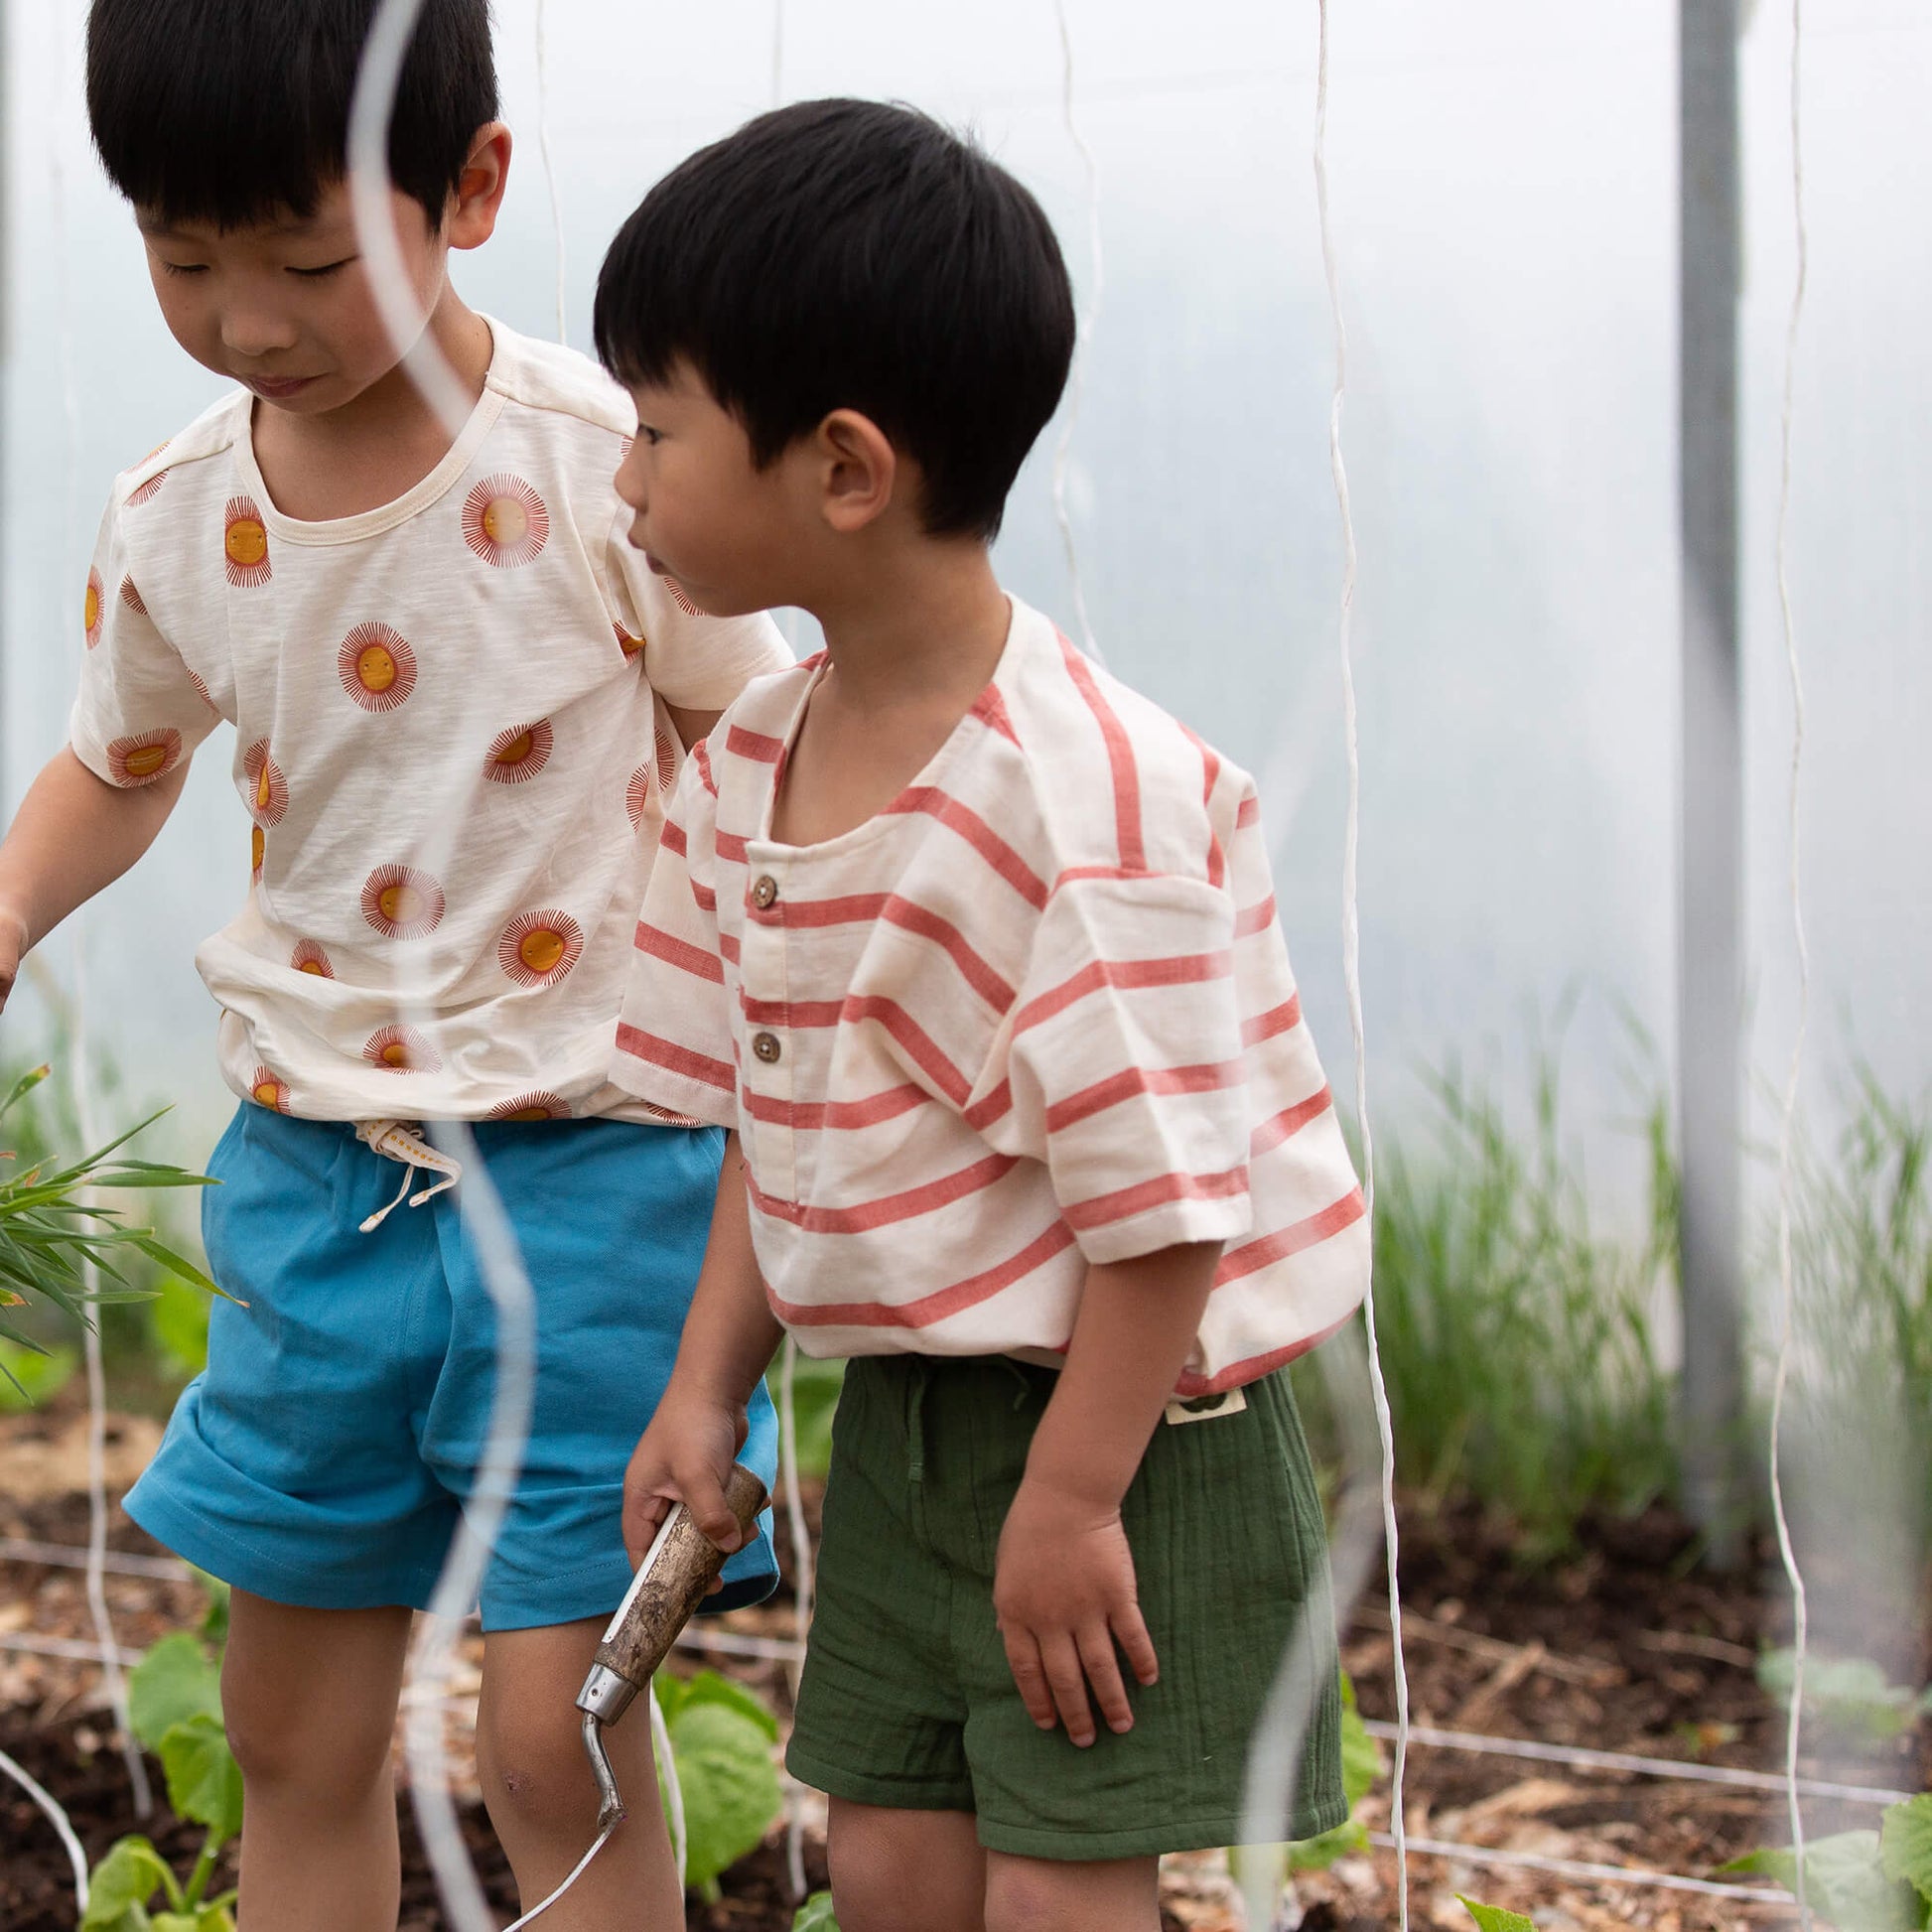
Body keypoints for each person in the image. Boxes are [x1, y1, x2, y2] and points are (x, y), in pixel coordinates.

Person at [0, 3, 791, 1925]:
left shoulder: (612, 467)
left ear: (475, 188)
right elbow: (122, 762)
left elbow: (752, 744)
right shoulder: (182, 512)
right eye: (184, 259)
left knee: (554, 1729)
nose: (247, 319)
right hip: (319, 1182)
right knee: (286, 1718)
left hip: (603, 1170)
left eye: (305, 259)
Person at [599, 97, 1372, 1932]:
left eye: (655, 429)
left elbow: (1166, 1209)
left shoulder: (1079, 810)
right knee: (889, 1863)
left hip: (1129, 1425)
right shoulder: (758, 767)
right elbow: (776, 1116)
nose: (623, 481)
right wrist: (710, 1382)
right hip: (916, 1421)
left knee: (1054, 1889)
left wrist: (1072, 1499)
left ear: (843, 468)